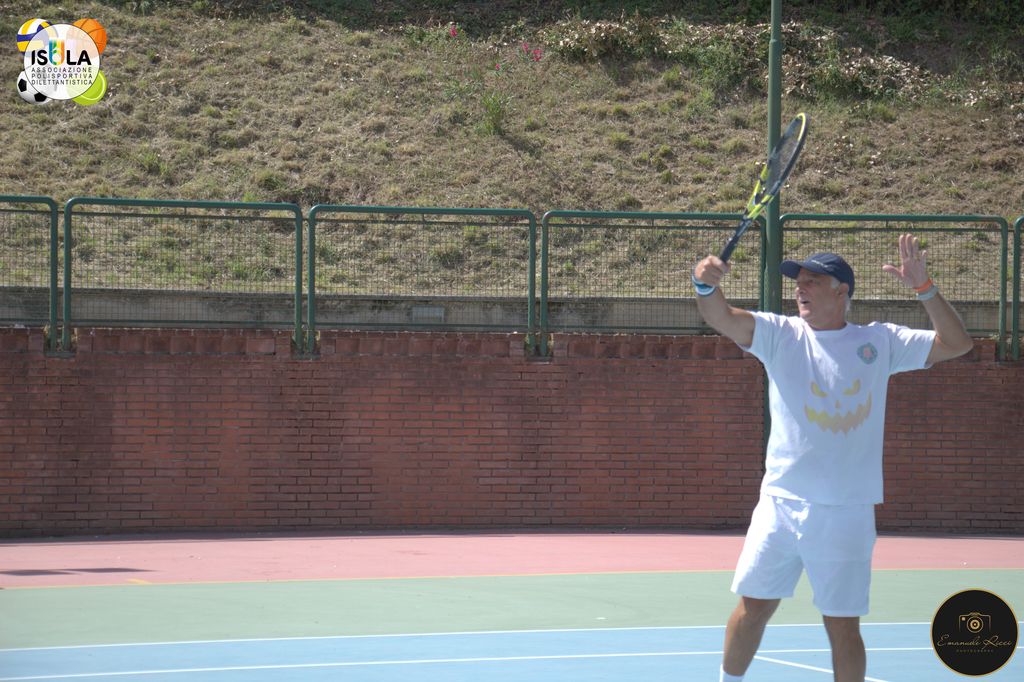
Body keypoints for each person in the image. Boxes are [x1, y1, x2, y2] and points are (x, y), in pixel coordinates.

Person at [692, 234, 973, 682]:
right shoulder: (779, 334)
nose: (800, 288)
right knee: (753, 607)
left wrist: (925, 289)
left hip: (847, 511)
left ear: (842, 291)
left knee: (842, 625)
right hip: (781, 503)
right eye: (798, 281)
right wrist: (705, 285)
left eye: (813, 281)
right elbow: (720, 317)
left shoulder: (880, 341)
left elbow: (957, 343)